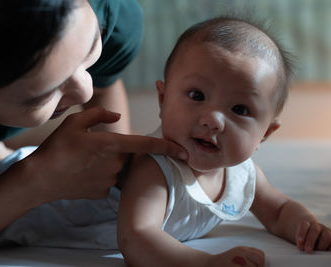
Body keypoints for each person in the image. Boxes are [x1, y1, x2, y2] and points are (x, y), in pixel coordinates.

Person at [0, 0, 187, 265]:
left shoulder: (112, 14)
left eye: (88, 50)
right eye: (43, 95)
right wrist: (36, 179)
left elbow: (100, 89)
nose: (84, 89)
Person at [117, 16, 331, 267]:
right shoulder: (154, 166)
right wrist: (206, 263)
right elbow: (136, 237)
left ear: (265, 134)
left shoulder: (242, 175)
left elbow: (279, 211)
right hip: (64, 223)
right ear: (163, 100)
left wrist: (307, 226)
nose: (213, 120)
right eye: (197, 95)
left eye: (239, 109)